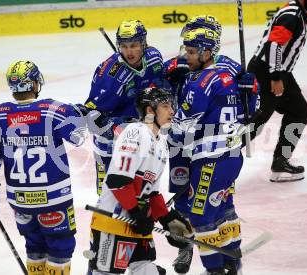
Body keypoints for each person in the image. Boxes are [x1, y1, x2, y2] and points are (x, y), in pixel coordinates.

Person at [164, 15, 257, 274]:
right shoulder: (227, 69)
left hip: (209, 159)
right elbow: (253, 108)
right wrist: (253, 90)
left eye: (192, 52)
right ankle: (231, 258)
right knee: (224, 207)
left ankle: (214, 269)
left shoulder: (199, 82)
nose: (186, 56)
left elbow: (181, 127)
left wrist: (161, 134)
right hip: (231, 155)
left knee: (201, 216)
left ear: (206, 51)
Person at [0, 60, 87, 275]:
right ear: (35, 83)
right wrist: (78, 115)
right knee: (60, 248)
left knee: (34, 247)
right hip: (54, 199)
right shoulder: (53, 110)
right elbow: (79, 137)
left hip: (21, 201)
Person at [88, 87, 193, 275]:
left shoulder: (161, 143)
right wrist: (137, 213)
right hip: (114, 222)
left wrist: (166, 219)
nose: (172, 111)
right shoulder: (136, 132)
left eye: (171, 106)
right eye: (165, 106)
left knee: (147, 269)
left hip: (137, 224)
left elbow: (151, 192)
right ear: (150, 110)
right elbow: (117, 180)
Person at [81, 20, 164, 195]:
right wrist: (118, 128)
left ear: (143, 43)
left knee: (141, 189)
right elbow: (92, 118)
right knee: (109, 193)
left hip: (140, 135)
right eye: (124, 46)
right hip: (109, 141)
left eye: (133, 45)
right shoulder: (110, 76)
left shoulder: (154, 58)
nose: (128, 52)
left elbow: (160, 87)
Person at [247, 0, 307, 182]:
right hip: (268, 74)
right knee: (254, 123)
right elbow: (273, 45)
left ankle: (281, 161)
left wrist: (280, 75)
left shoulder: (297, 12)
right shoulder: (292, 15)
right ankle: (214, 160)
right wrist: (276, 77)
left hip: (279, 72)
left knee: (299, 111)